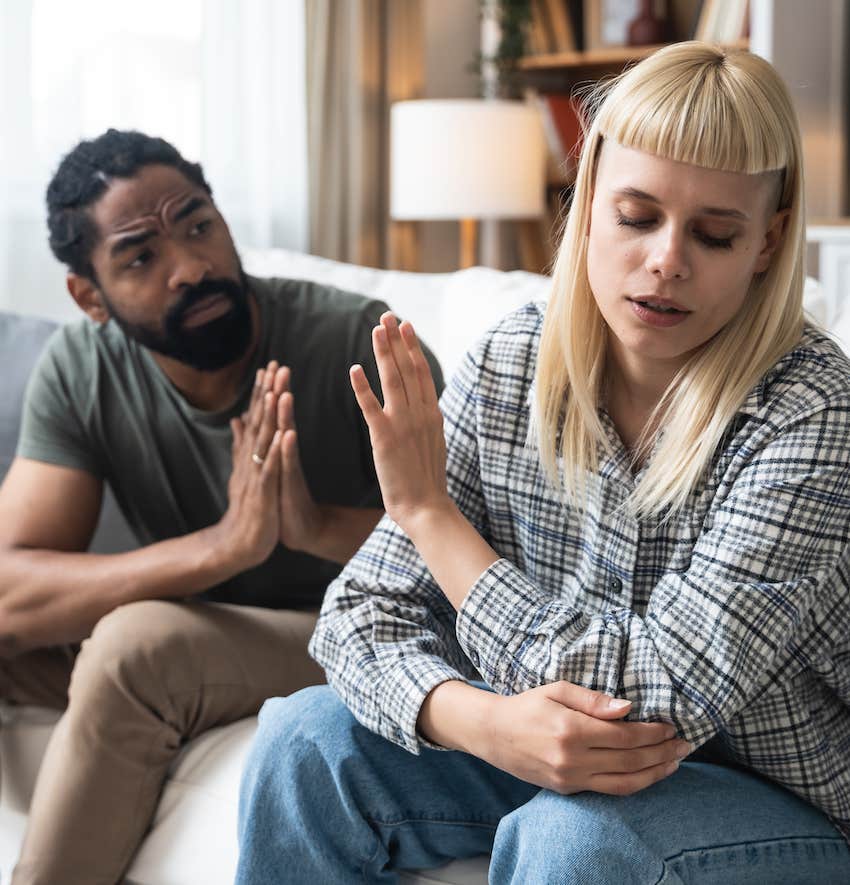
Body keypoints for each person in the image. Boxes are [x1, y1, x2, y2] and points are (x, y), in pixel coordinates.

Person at [236, 43, 850, 884]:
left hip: (785, 801)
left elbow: (657, 695)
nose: (667, 259)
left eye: (714, 234)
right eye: (637, 216)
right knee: (305, 740)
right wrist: (480, 722)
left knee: (579, 836)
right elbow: (359, 616)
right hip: (543, 745)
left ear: (769, 245)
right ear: (589, 202)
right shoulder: (513, 361)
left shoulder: (813, 413)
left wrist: (431, 517)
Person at [0, 128, 443, 885]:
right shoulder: (81, 369)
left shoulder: (357, 340)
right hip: (210, 621)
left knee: (137, 644)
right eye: (141, 257)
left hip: (356, 628)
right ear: (88, 296)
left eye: (199, 226)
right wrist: (222, 547)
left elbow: (487, 548)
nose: (192, 268)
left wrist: (313, 527)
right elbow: (11, 591)